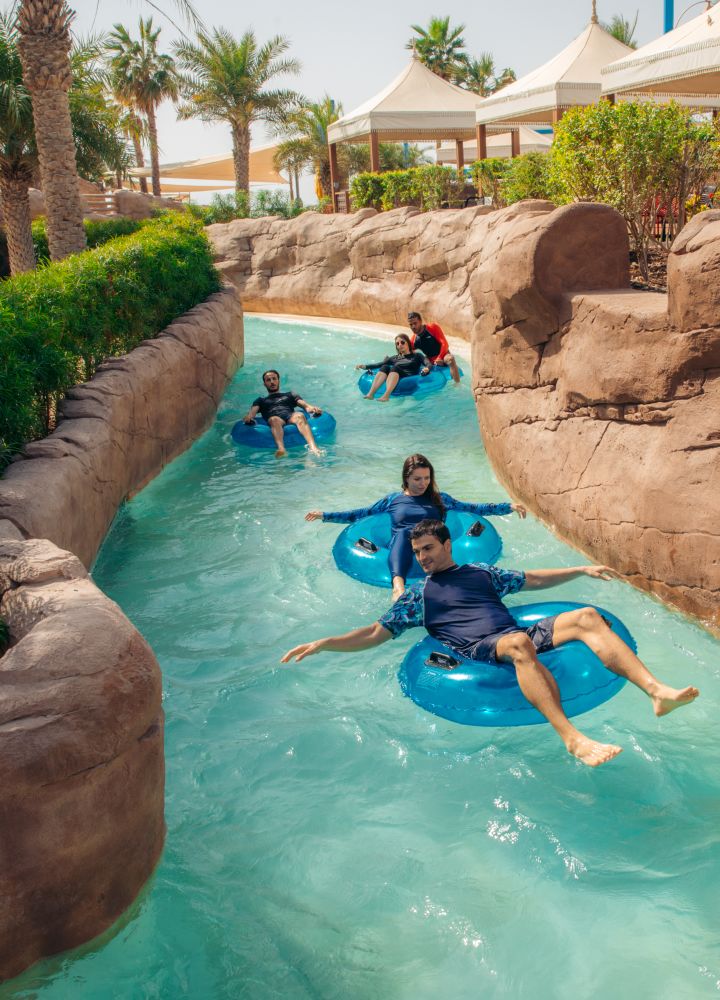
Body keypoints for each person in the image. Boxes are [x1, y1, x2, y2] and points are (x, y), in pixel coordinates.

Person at [283, 519, 699, 768]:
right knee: (519, 644)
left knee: (587, 617)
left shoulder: (481, 571)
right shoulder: (417, 596)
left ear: (448, 544)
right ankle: (573, 739)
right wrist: (326, 643)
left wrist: (582, 569)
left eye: (428, 549)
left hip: (514, 632)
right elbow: (375, 633)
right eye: (417, 552)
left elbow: (532, 579)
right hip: (480, 647)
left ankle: (657, 692)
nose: (423, 557)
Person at [306, 453, 526, 599]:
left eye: (427, 478)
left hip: (435, 544)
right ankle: (398, 586)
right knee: (404, 533)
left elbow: (472, 508)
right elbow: (359, 514)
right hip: (404, 546)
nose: (423, 484)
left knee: (433, 536)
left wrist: (507, 507)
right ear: (406, 478)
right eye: (417, 479)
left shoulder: (441, 499)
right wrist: (325, 515)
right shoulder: (393, 500)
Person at [242, 369, 324, 458]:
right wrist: (248, 417)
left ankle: (313, 447)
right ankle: (281, 449)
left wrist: (313, 408)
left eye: (274, 379)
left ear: (278, 380)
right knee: (274, 419)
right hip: (275, 419)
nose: (272, 382)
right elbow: (252, 414)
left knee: (300, 415)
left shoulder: (290, 395)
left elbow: (306, 406)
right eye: (268, 380)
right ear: (264, 384)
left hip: (290, 417)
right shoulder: (261, 400)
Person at [356, 334, 431, 401]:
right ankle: (370, 394)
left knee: (395, 368)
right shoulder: (395, 358)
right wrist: (365, 366)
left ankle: (386, 395)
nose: (400, 345)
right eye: (397, 344)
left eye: (402, 342)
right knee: (385, 366)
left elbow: (428, 363)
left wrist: (427, 368)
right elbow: (379, 364)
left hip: (409, 377)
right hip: (396, 375)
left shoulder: (417, 356)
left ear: (408, 343)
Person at [407, 311, 460, 384]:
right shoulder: (414, 339)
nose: (413, 326)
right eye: (411, 324)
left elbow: (445, 344)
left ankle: (457, 385)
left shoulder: (432, 327)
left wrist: (440, 357)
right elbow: (407, 352)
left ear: (420, 321)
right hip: (430, 361)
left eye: (415, 323)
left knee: (450, 359)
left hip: (443, 355)